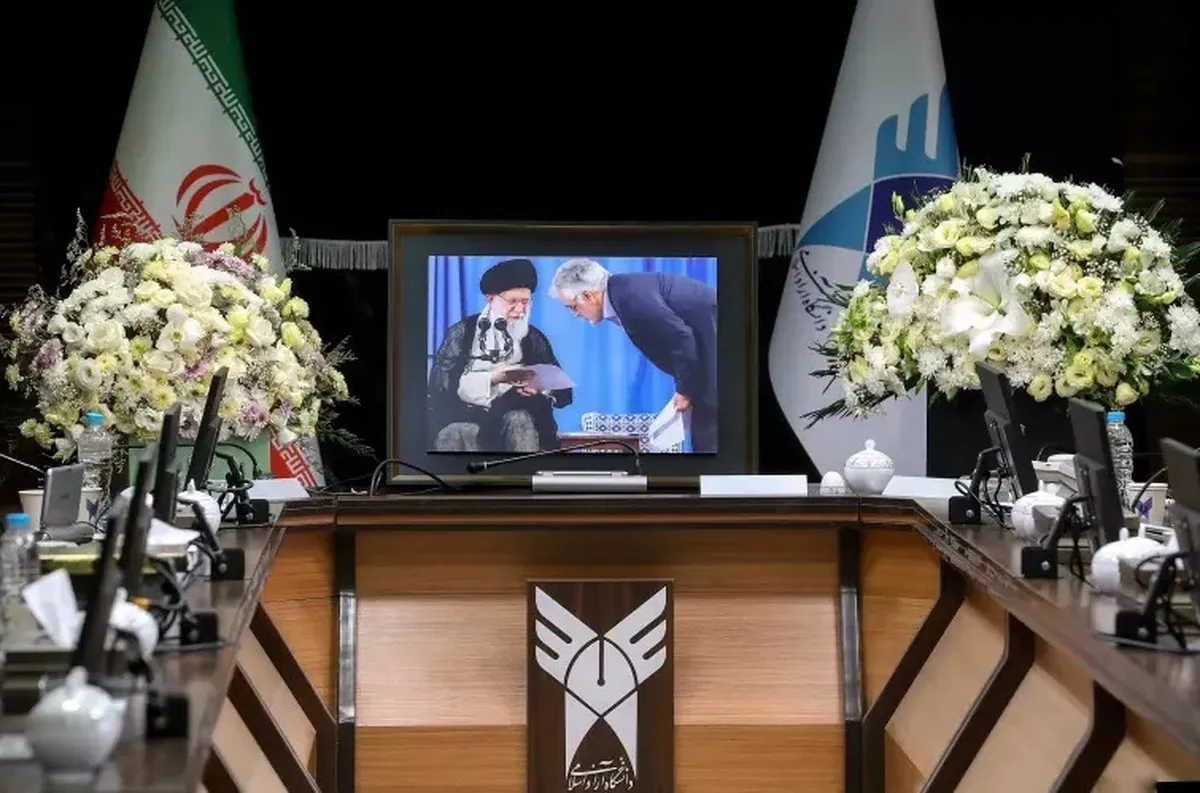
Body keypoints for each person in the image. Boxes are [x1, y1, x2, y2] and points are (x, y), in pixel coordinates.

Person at [549, 258, 717, 453]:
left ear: (588, 296)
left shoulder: (629, 297)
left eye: (573, 306)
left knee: (709, 442)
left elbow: (682, 336)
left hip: (715, 354)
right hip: (707, 356)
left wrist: (685, 390)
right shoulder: (622, 291)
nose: (575, 314)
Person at [428, 258, 572, 452]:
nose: (520, 310)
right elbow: (439, 387)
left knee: (519, 420)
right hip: (466, 417)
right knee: (455, 433)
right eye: (512, 301)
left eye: (525, 302)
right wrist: (493, 378)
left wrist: (539, 390)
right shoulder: (462, 333)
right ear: (490, 299)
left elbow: (563, 392)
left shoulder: (533, 338)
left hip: (516, 419)